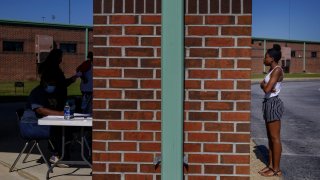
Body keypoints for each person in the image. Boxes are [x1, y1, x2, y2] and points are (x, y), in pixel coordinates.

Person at [21, 69, 68, 167]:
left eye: (54, 83)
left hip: (40, 123)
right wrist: (60, 113)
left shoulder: (50, 93)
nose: (53, 85)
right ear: (44, 82)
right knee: (57, 129)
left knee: (64, 129)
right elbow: (40, 110)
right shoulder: (37, 93)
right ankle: (57, 155)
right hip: (30, 126)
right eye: (51, 83)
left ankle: (62, 153)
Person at [258, 44, 284, 177]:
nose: (264, 59)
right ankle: (271, 165)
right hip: (268, 103)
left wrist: (265, 85)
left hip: (273, 103)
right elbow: (263, 84)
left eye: (266, 57)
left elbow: (267, 89)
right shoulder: (270, 70)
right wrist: (264, 85)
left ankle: (276, 169)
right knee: (270, 137)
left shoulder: (277, 70)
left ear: (272, 58)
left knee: (275, 137)